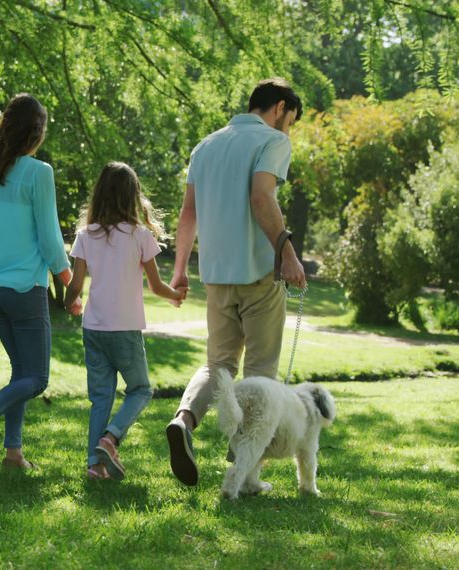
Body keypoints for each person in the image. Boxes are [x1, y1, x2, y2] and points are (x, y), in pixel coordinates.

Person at [165, 78, 308, 486]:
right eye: (290, 121)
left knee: (218, 365)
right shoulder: (273, 141)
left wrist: (179, 269)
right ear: (279, 107)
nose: (288, 131)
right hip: (260, 274)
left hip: (216, 274)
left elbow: (188, 212)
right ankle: (244, 471)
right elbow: (262, 197)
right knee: (261, 371)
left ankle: (184, 419)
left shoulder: (205, 146)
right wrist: (287, 252)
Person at [0, 93, 77, 471]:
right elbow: (49, 237)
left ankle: (14, 454)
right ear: (36, 132)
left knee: (20, 372)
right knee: (37, 378)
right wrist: (69, 281)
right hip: (25, 288)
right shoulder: (39, 173)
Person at [63, 162, 187, 481]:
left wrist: (69, 302)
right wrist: (175, 295)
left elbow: (76, 285)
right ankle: (112, 438)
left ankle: (95, 465)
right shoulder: (140, 236)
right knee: (141, 389)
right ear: (133, 196)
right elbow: (156, 286)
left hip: (94, 329)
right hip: (125, 330)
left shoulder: (85, 235)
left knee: (101, 397)